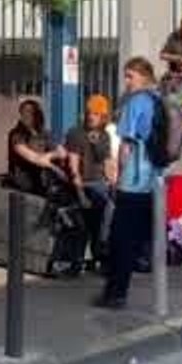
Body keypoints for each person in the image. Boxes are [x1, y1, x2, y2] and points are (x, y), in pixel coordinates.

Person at [95, 57, 163, 309]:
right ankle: (135, 287)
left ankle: (116, 293)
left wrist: (117, 176)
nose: (126, 81)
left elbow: (125, 146)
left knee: (120, 240)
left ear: (143, 76)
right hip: (154, 181)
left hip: (133, 181)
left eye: (130, 76)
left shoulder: (135, 103)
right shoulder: (158, 100)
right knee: (139, 239)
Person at [65, 94, 115, 271]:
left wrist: (113, 183)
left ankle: (101, 251)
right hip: (85, 183)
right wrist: (79, 192)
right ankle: (101, 247)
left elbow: (107, 162)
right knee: (105, 207)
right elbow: (73, 165)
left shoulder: (104, 135)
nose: (92, 117)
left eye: (97, 114)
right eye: (90, 113)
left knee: (110, 206)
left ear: (103, 117)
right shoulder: (76, 133)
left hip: (100, 183)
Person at [7, 99, 67, 196]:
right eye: (25, 112)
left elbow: (62, 152)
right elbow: (35, 159)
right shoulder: (16, 134)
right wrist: (56, 169)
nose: (28, 115)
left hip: (44, 182)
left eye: (32, 112)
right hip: (24, 186)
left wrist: (48, 156)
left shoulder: (44, 133)